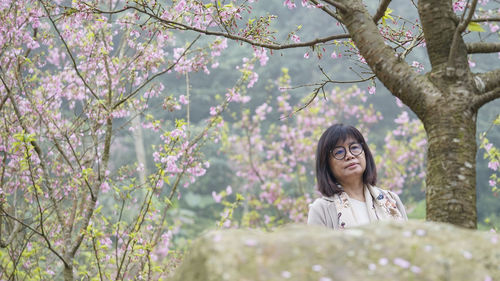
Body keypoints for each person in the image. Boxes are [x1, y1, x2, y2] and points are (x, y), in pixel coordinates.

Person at [308, 124, 407, 229]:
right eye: (339, 152)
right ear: (326, 164)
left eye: (354, 147)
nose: (349, 155)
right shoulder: (321, 210)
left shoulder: (391, 200)